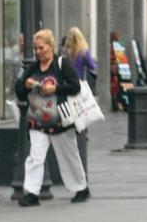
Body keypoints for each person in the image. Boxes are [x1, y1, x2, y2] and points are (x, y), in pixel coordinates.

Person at [15, 29, 90, 206]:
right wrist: (25, 86)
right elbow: (19, 91)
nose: (38, 52)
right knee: (35, 157)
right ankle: (32, 193)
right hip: (38, 121)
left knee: (69, 155)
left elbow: (75, 87)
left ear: (50, 46)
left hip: (60, 121)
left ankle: (81, 188)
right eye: (35, 48)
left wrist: (55, 89)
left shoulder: (62, 63)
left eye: (41, 48)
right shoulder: (33, 67)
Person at [63, 27, 97, 174]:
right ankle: (81, 131)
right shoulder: (83, 51)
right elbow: (92, 66)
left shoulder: (66, 52)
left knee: (69, 108)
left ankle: (72, 129)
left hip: (67, 85)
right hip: (80, 86)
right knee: (81, 110)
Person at [110, 32, 133, 112]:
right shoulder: (114, 47)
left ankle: (118, 103)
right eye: (116, 37)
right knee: (115, 88)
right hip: (116, 71)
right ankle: (116, 104)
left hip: (119, 70)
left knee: (116, 88)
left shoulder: (117, 47)